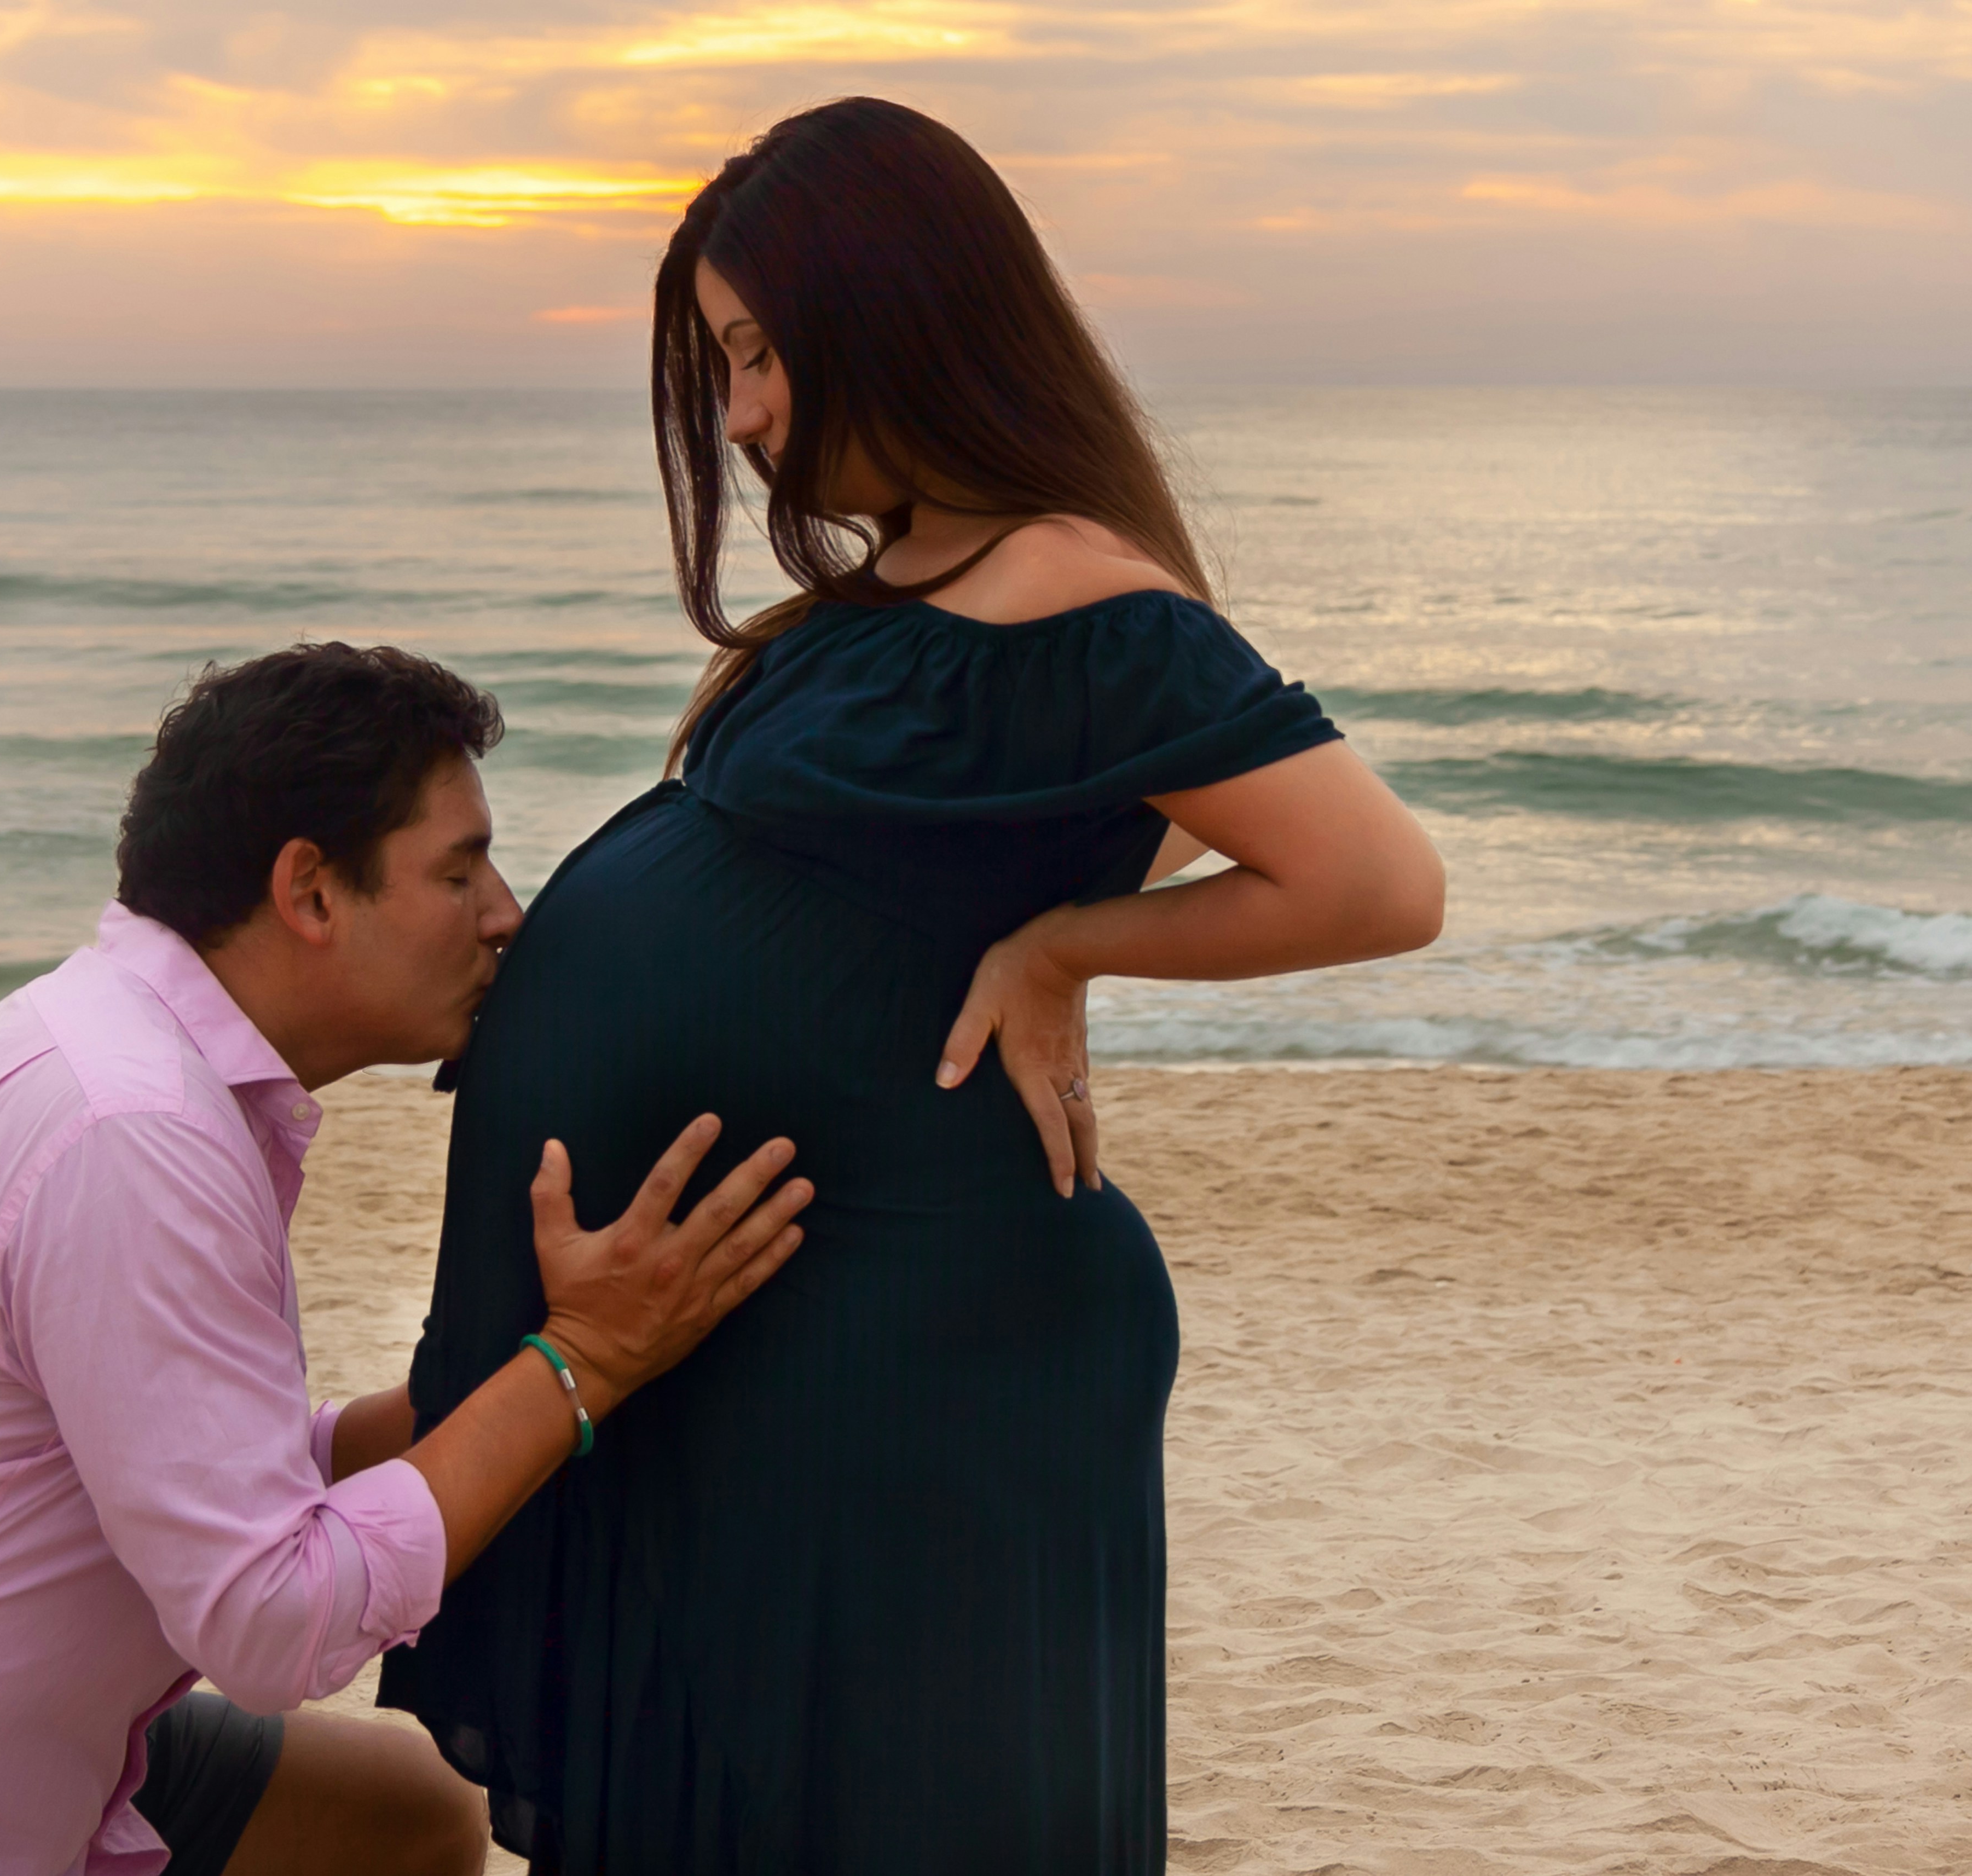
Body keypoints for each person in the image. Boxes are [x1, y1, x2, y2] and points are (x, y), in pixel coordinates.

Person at [377, 98, 1447, 1873]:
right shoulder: (887, 602)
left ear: (896, 304)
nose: (742, 417)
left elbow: (1374, 877)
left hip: (926, 1335)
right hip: (792, 1320)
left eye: (756, 353)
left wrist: (1068, 938)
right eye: (724, 363)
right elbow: (1055, 820)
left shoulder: (1087, 593)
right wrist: (1039, 897)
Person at [0, 644, 816, 1876]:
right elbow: (272, 1619)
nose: (506, 917)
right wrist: (580, 1363)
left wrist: (465, 1404)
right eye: (461, 870)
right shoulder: (131, 1130)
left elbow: (183, 1468)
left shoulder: (129, 1058)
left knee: (404, 1821)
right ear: (310, 890)